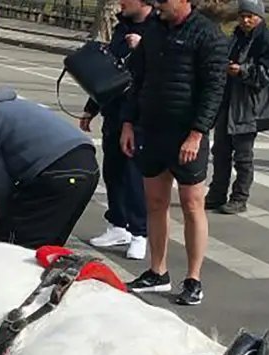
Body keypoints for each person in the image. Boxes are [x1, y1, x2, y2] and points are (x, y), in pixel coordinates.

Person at [119, 0, 227, 306]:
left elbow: (214, 90)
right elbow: (136, 80)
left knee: (192, 204)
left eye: (163, 1)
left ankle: (193, 279)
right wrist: (128, 123)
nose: (157, 5)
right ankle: (158, 271)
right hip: (152, 130)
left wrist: (197, 133)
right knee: (155, 202)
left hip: (186, 133)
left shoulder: (208, 34)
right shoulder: (153, 31)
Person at [0, 88, 99, 249]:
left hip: (56, 171)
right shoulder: (3, 106)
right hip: (87, 165)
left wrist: (4, 218)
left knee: (15, 247)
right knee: (49, 247)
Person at [82, 0, 158, 261]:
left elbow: (165, 70)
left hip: (140, 115)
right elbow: (108, 71)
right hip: (114, 111)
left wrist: (143, 49)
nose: (120, 2)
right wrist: (91, 107)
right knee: (113, 170)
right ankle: (118, 224)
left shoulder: (158, 29)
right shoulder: (121, 27)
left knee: (133, 174)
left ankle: (139, 232)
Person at [207, 0, 269, 216]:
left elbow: (267, 75)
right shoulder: (237, 36)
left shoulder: (266, 40)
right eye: (242, 16)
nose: (245, 20)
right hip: (228, 102)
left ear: (260, 17)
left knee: (243, 156)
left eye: (250, 16)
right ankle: (216, 194)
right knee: (220, 152)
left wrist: (242, 71)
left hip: (249, 107)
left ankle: (239, 197)